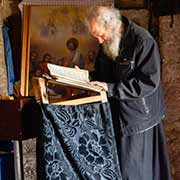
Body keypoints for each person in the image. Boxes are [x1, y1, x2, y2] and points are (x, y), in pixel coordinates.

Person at [85, 6, 171, 180]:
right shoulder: (108, 40)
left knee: (133, 172)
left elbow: (148, 82)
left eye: (101, 35)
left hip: (139, 116)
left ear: (113, 25)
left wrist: (110, 89)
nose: (100, 41)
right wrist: (83, 77)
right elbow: (103, 74)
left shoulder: (143, 41)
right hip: (117, 113)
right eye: (97, 37)